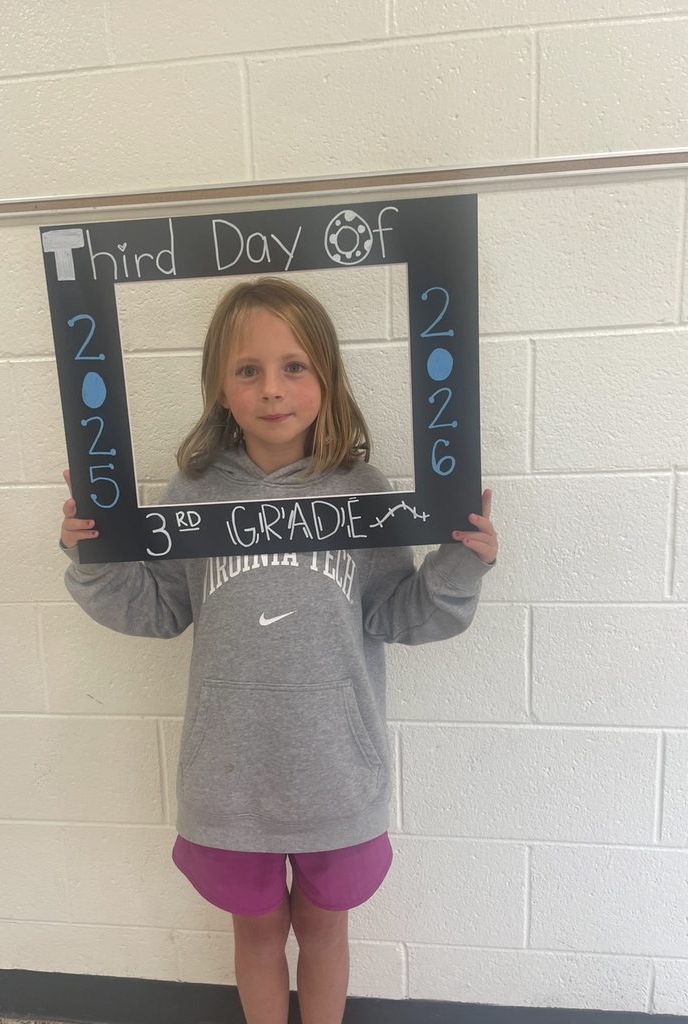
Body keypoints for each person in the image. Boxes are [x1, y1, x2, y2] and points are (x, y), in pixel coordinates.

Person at [60, 277, 497, 1024]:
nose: (272, 389)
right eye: (248, 370)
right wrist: (96, 558)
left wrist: (459, 565)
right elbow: (161, 610)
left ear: (325, 377)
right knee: (257, 934)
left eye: (294, 366)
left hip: (335, 776)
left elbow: (399, 614)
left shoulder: (363, 491)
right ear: (220, 389)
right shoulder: (192, 495)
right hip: (229, 783)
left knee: (324, 931)